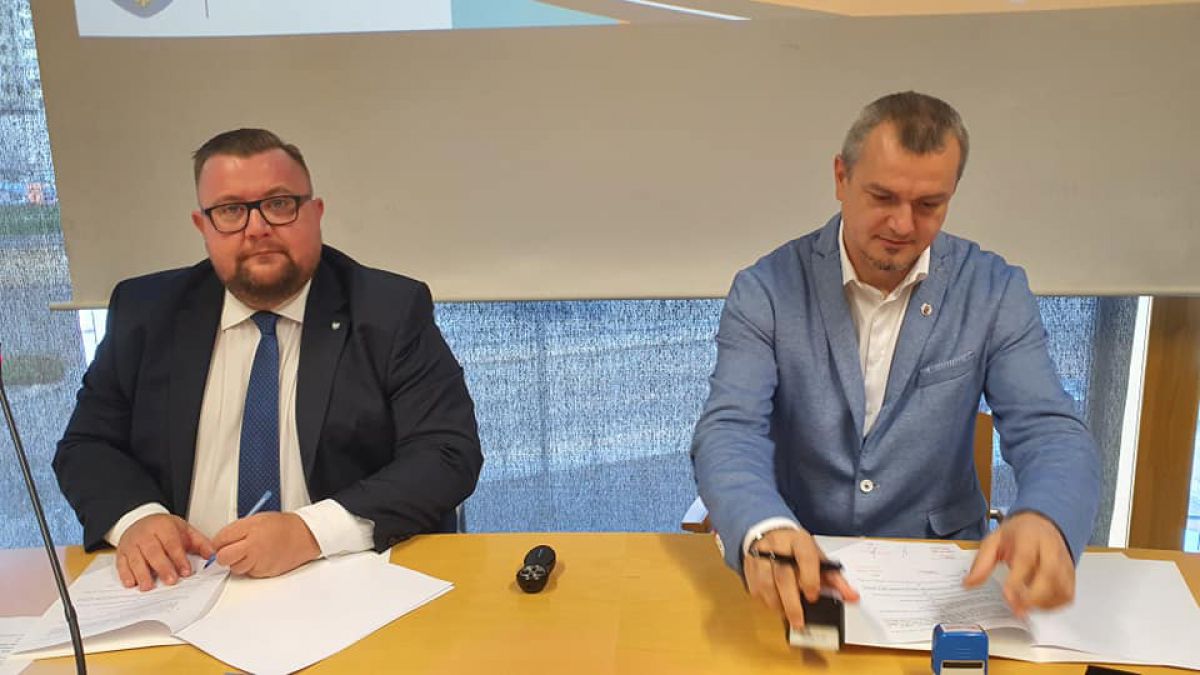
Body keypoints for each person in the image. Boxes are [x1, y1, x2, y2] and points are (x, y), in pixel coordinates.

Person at [691, 92, 1100, 631]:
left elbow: (1050, 429)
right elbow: (729, 428)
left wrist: (1047, 517)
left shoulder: (994, 290)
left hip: (947, 577)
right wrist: (763, 527)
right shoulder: (765, 290)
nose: (903, 225)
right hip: (805, 562)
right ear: (841, 178)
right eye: (882, 197)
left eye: (929, 204)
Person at [54, 128, 483, 591]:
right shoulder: (146, 312)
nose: (257, 228)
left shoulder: (388, 310)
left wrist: (310, 532)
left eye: (279, 204)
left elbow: (446, 452)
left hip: (342, 581)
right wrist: (137, 518)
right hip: (182, 584)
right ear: (202, 226)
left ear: (315, 213)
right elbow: (87, 445)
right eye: (230, 211)